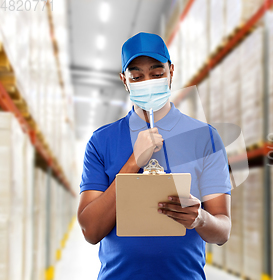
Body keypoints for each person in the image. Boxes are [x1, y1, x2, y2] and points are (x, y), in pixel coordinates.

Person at [77, 32, 232, 280]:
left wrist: (200, 219)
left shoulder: (205, 138)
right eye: (137, 76)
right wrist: (131, 164)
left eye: (157, 73)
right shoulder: (101, 141)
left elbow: (223, 231)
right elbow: (90, 231)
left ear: (171, 71)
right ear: (124, 81)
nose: (147, 81)